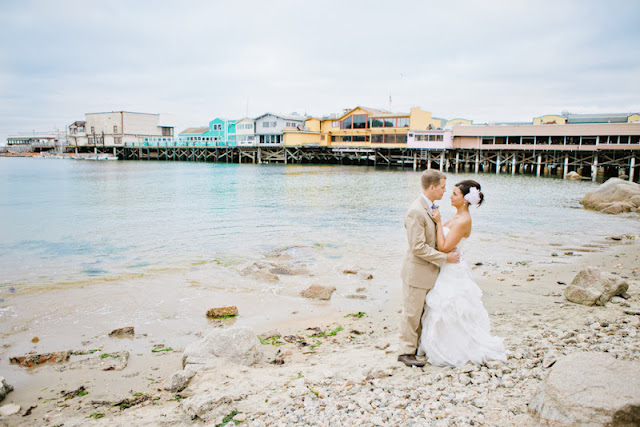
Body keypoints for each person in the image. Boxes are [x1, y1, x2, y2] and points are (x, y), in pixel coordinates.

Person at [417, 179, 507, 367]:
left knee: (450, 306)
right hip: (448, 266)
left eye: (455, 194)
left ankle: (454, 348)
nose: (450, 196)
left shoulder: (463, 220)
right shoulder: (456, 215)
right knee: (442, 306)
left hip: (453, 268)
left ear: (465, 200)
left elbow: (443, 247)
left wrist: (439, 221)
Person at [398, 169, 460, 367]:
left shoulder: (430, 208)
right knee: (411, 313)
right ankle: (405, 352)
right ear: (432, 187)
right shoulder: (416, 211)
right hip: (416, 272)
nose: (445, 191)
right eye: (442, 187)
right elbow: (417, 247)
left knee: (423, 312)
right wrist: (445, 258)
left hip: (430, 272)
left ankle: (418, 347)